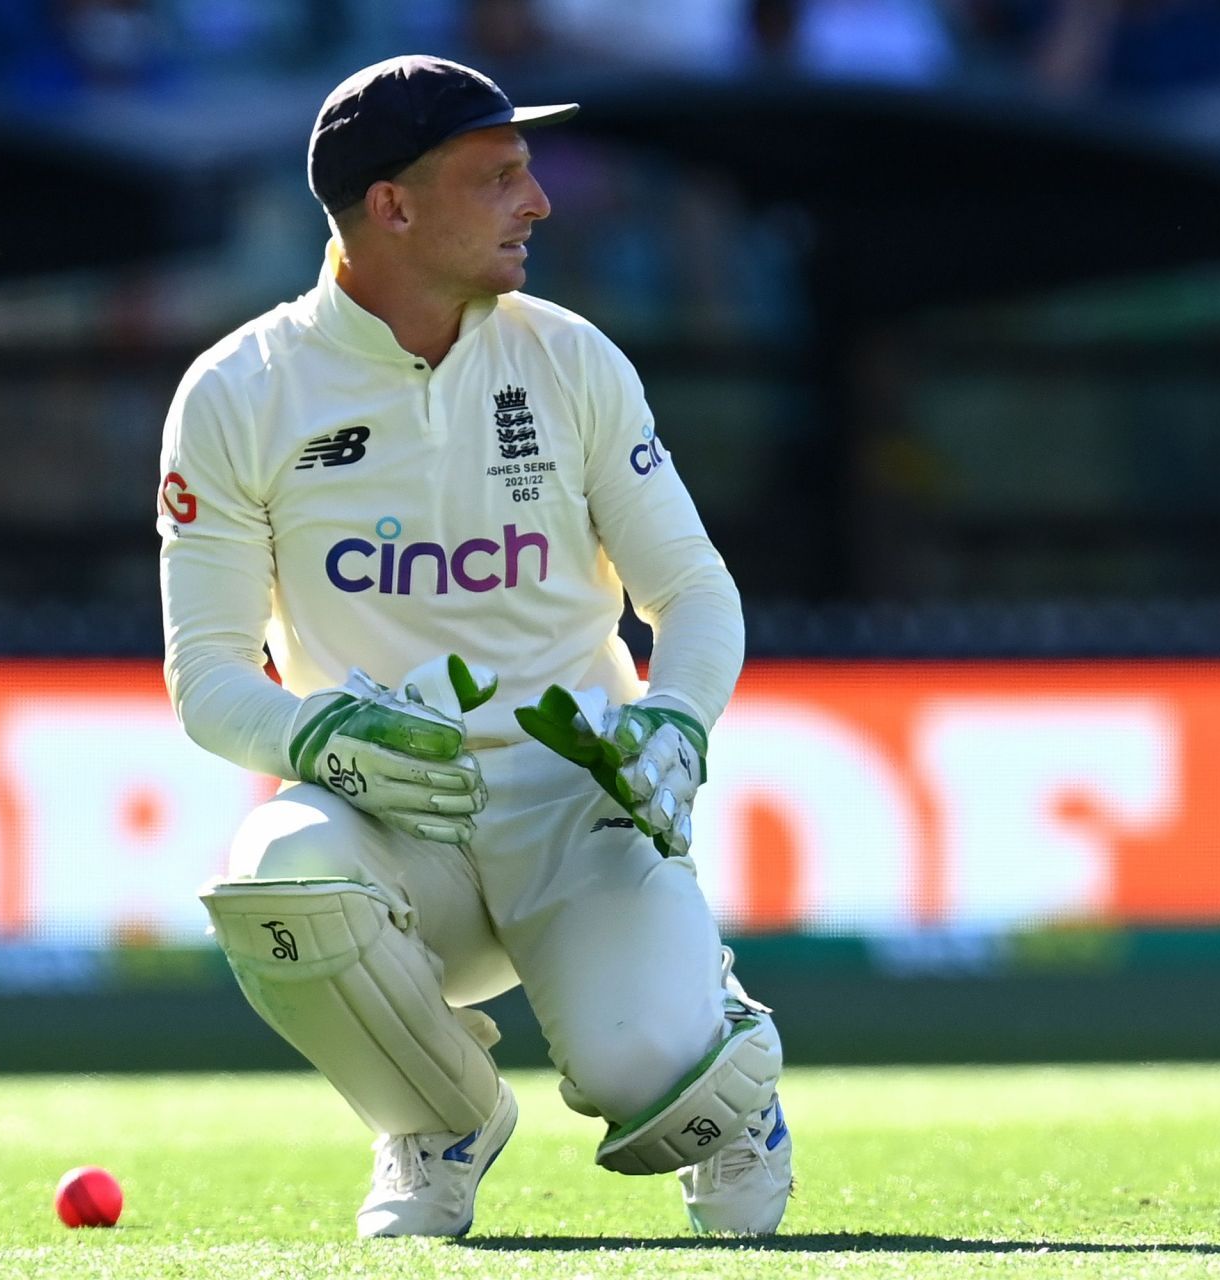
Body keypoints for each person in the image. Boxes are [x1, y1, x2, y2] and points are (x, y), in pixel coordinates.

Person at [157, 55, 791, 1239]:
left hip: (577, 803)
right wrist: (325, 735)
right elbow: (206, 677)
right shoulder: (237, 392)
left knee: (657, 1085)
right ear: (392, 207)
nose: (538, 201)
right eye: (498, 177)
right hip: (397, 818)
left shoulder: (571, 359)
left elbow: (695, 592)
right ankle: (435, 1120)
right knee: (276, 874)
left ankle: (716, 1042)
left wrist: (674, 718)